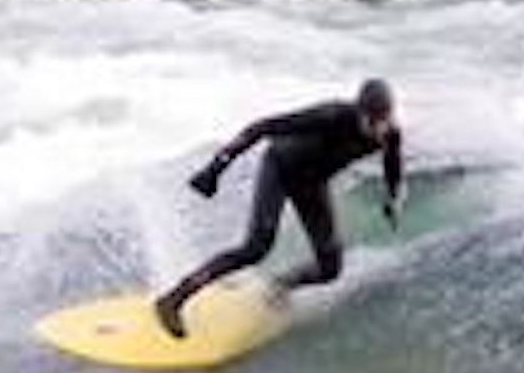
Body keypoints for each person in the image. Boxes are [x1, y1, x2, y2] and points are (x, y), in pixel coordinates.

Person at [155, 79, 403, 338]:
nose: (379, 129)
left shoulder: (390, 134)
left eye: (384, 120)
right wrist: (215, 168)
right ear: (359, 112)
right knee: (256, 248)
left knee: (330, 267)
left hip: (311, 184)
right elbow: (261, 128)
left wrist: (392, 200)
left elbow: (393, 169)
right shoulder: (331, 115)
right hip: (280, 169)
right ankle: (173, 299)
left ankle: (278, 286)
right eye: (373, 121)